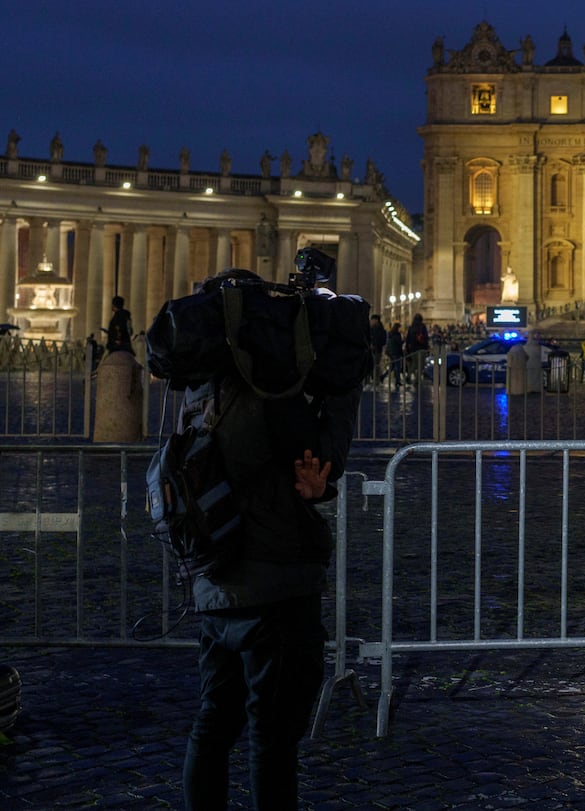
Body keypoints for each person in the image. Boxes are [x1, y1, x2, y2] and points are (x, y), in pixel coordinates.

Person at [181, 268, 362, 811]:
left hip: (215, 581)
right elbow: (318, 467)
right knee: (272, 739)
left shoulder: (200, 392)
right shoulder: (277, 396)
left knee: (213, 723)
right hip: (277, 586)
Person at [368, 313, 387, 383]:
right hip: (370, 350)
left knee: (376, 366)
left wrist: (375, 345)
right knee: (372, 366)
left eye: (372, 320)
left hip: (377, 350)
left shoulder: (380, 329)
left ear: (376, 320)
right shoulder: (370, 328)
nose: (371, 321)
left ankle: (376, 381)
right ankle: (375, 379)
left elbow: (382, 340)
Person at [385, 321, 404, 388]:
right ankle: (397, 381)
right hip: (396, 352)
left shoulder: (391, 334)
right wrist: (403, 340)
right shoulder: (397, 334)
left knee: (392, 367)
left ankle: (383, 376)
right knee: (397, 367)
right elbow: (399, 343)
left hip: (391, 352)